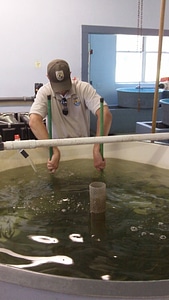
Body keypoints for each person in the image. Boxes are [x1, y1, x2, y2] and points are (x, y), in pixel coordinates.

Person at [29, 59, 112, 173]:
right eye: (58, 86)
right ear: (48, 77)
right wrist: (53, 149)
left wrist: (97, 147)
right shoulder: (44, 92)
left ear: (70, 75)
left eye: (64, 84)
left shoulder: (83, 88)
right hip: (57, 147)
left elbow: (105, 114)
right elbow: (34, 121)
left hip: (83, 147)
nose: (62, 90)